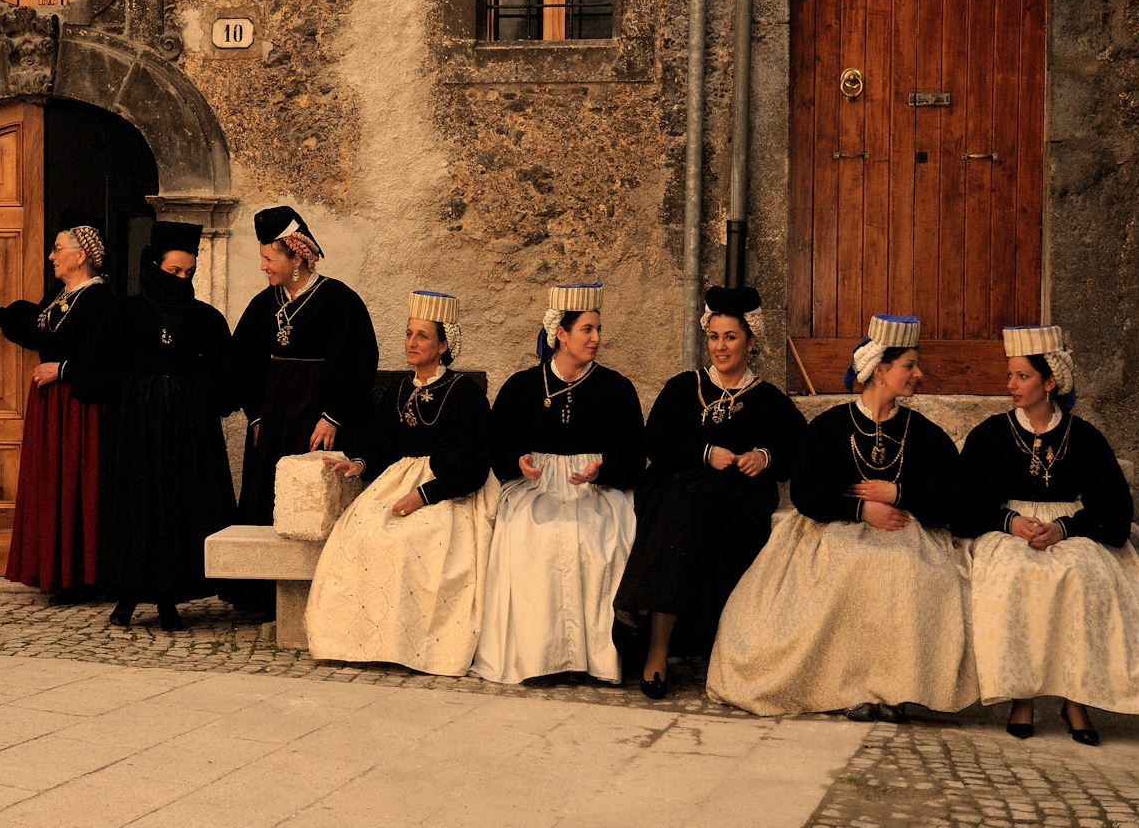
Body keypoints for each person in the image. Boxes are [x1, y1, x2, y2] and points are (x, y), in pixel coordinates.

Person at [706, 314, 978, 719]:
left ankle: (895, 689)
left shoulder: (923, 433)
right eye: (909, 365)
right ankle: (850, 689)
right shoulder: (830, 426)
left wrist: (898, 493)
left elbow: (955, 496)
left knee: (906, 568)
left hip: (906, 532)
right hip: (833, 531)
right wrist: (861, 508)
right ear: (880, 370)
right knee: (850, 564)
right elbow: (806, 492)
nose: (918, 374)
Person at [956, 325, 1139, 743]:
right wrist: (1009, 521)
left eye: (1023, 376)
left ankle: (1076, 700)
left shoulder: (1083, 437)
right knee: (1014, 574)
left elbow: (1114, 509)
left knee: (1082, 576)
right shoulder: (990, 434)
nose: (1011, 385)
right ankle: (1022, 698)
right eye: (1010, 375)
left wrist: (1065, 528)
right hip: (1005, 528)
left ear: (1050, 382)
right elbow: (964, 502)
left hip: (1070, 529)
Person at [613, 285, 807, 699]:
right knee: (681, 508)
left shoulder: (769, 401)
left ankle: (645, 607)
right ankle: (658, 648)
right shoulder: (685, 387)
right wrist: (704, 453)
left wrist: (764, 456)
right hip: (677, 487)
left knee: (695, 512)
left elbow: (798, 450)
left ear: (751, 342)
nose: (720, 347)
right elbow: (655, 441)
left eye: (731, 337)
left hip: (738, 497)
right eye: (714, 337)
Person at [305, 291, 499, 674]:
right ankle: (360, 641)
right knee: (362, 532)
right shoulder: (399, 389)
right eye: (409, 334)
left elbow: (473, 462)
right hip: (398, 482)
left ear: (443, 345)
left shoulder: (464, 393)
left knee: (408, 541)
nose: (411, 342)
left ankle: (409, 645)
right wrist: (359, 464)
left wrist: (424, 495)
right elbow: (381, 442)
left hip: (448, 490)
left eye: (422, 336)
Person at [67, 221, 238, 631]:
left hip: (187, 435)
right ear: (153, 266)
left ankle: (169, 597)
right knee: (134, 508)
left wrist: (185, 390)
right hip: (134, 432)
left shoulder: (205, 318)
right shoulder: (123, 314)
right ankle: (127, 594)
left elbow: (225, 379)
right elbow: (98, 371)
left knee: (177, 509)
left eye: (188, 273)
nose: (180, 279)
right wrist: (138, 388)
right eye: (173, 271)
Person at [471, 283, 645, 685]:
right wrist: (519, 462)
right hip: (537, 488)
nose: (596, 338)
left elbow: (634, 456)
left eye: (598, 329)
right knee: (532, 536)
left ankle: (594, 660)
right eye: (587, 329)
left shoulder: (616, 388)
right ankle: (538, 657)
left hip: (598, 492)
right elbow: (498, 445)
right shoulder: (522, 386)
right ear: (561, 334)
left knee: (597, 540)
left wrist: (602, 471)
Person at [0, 211, 110, 601]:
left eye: (58, 249)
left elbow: (106, 357)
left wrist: (63, 370)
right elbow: (35, 327)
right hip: (52, 406)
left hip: (79, 407)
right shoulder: (60, 296)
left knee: (76, 484)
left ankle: (82, 577)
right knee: (51, 483)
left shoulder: (100, 300)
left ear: (81, 255)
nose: (51, 256)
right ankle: (56, 571)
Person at [231, 205, 378, 524]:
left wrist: (333, 417)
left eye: (269, 259)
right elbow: (243, 365)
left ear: (297, 258)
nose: (263, 266)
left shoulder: (340, 301)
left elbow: (360, 364)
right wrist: (256, 417)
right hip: (273, 422)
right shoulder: (262, 305)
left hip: (318, 422)